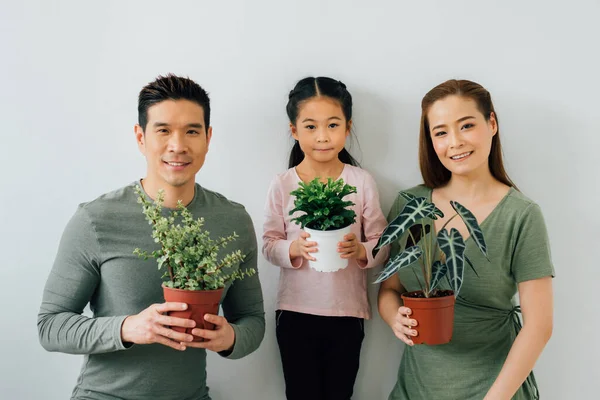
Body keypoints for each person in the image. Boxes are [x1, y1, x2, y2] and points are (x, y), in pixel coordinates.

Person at [37, 74, 265, 400]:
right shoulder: (96, 218)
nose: (178, 145)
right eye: (163, 130)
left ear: (208, 138)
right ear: (140, 137)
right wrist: (128, 328)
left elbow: (253, 321)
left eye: (192, 131)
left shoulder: (234, 220)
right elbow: (50, 326)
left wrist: (230, 338)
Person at [378, 79, 554, 400]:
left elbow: (539, 326)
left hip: (495, 389)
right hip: (415, 388)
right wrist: (394, 317)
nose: (455, 142)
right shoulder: (410, 204)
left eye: (467, 125)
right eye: (441, 132)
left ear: (492, 124)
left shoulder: (521, 214)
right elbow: (390, 289)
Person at [262, 76, 389, 400]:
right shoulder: (283, 183)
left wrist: (361, 249)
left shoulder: (361, 182)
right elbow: (269, 242)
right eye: (310, 127)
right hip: (294, 313)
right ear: (294, 130)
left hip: (346, 313)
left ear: (347, 127)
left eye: (332, 125)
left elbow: (383, 241)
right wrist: (294, 248)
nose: (322, 137)